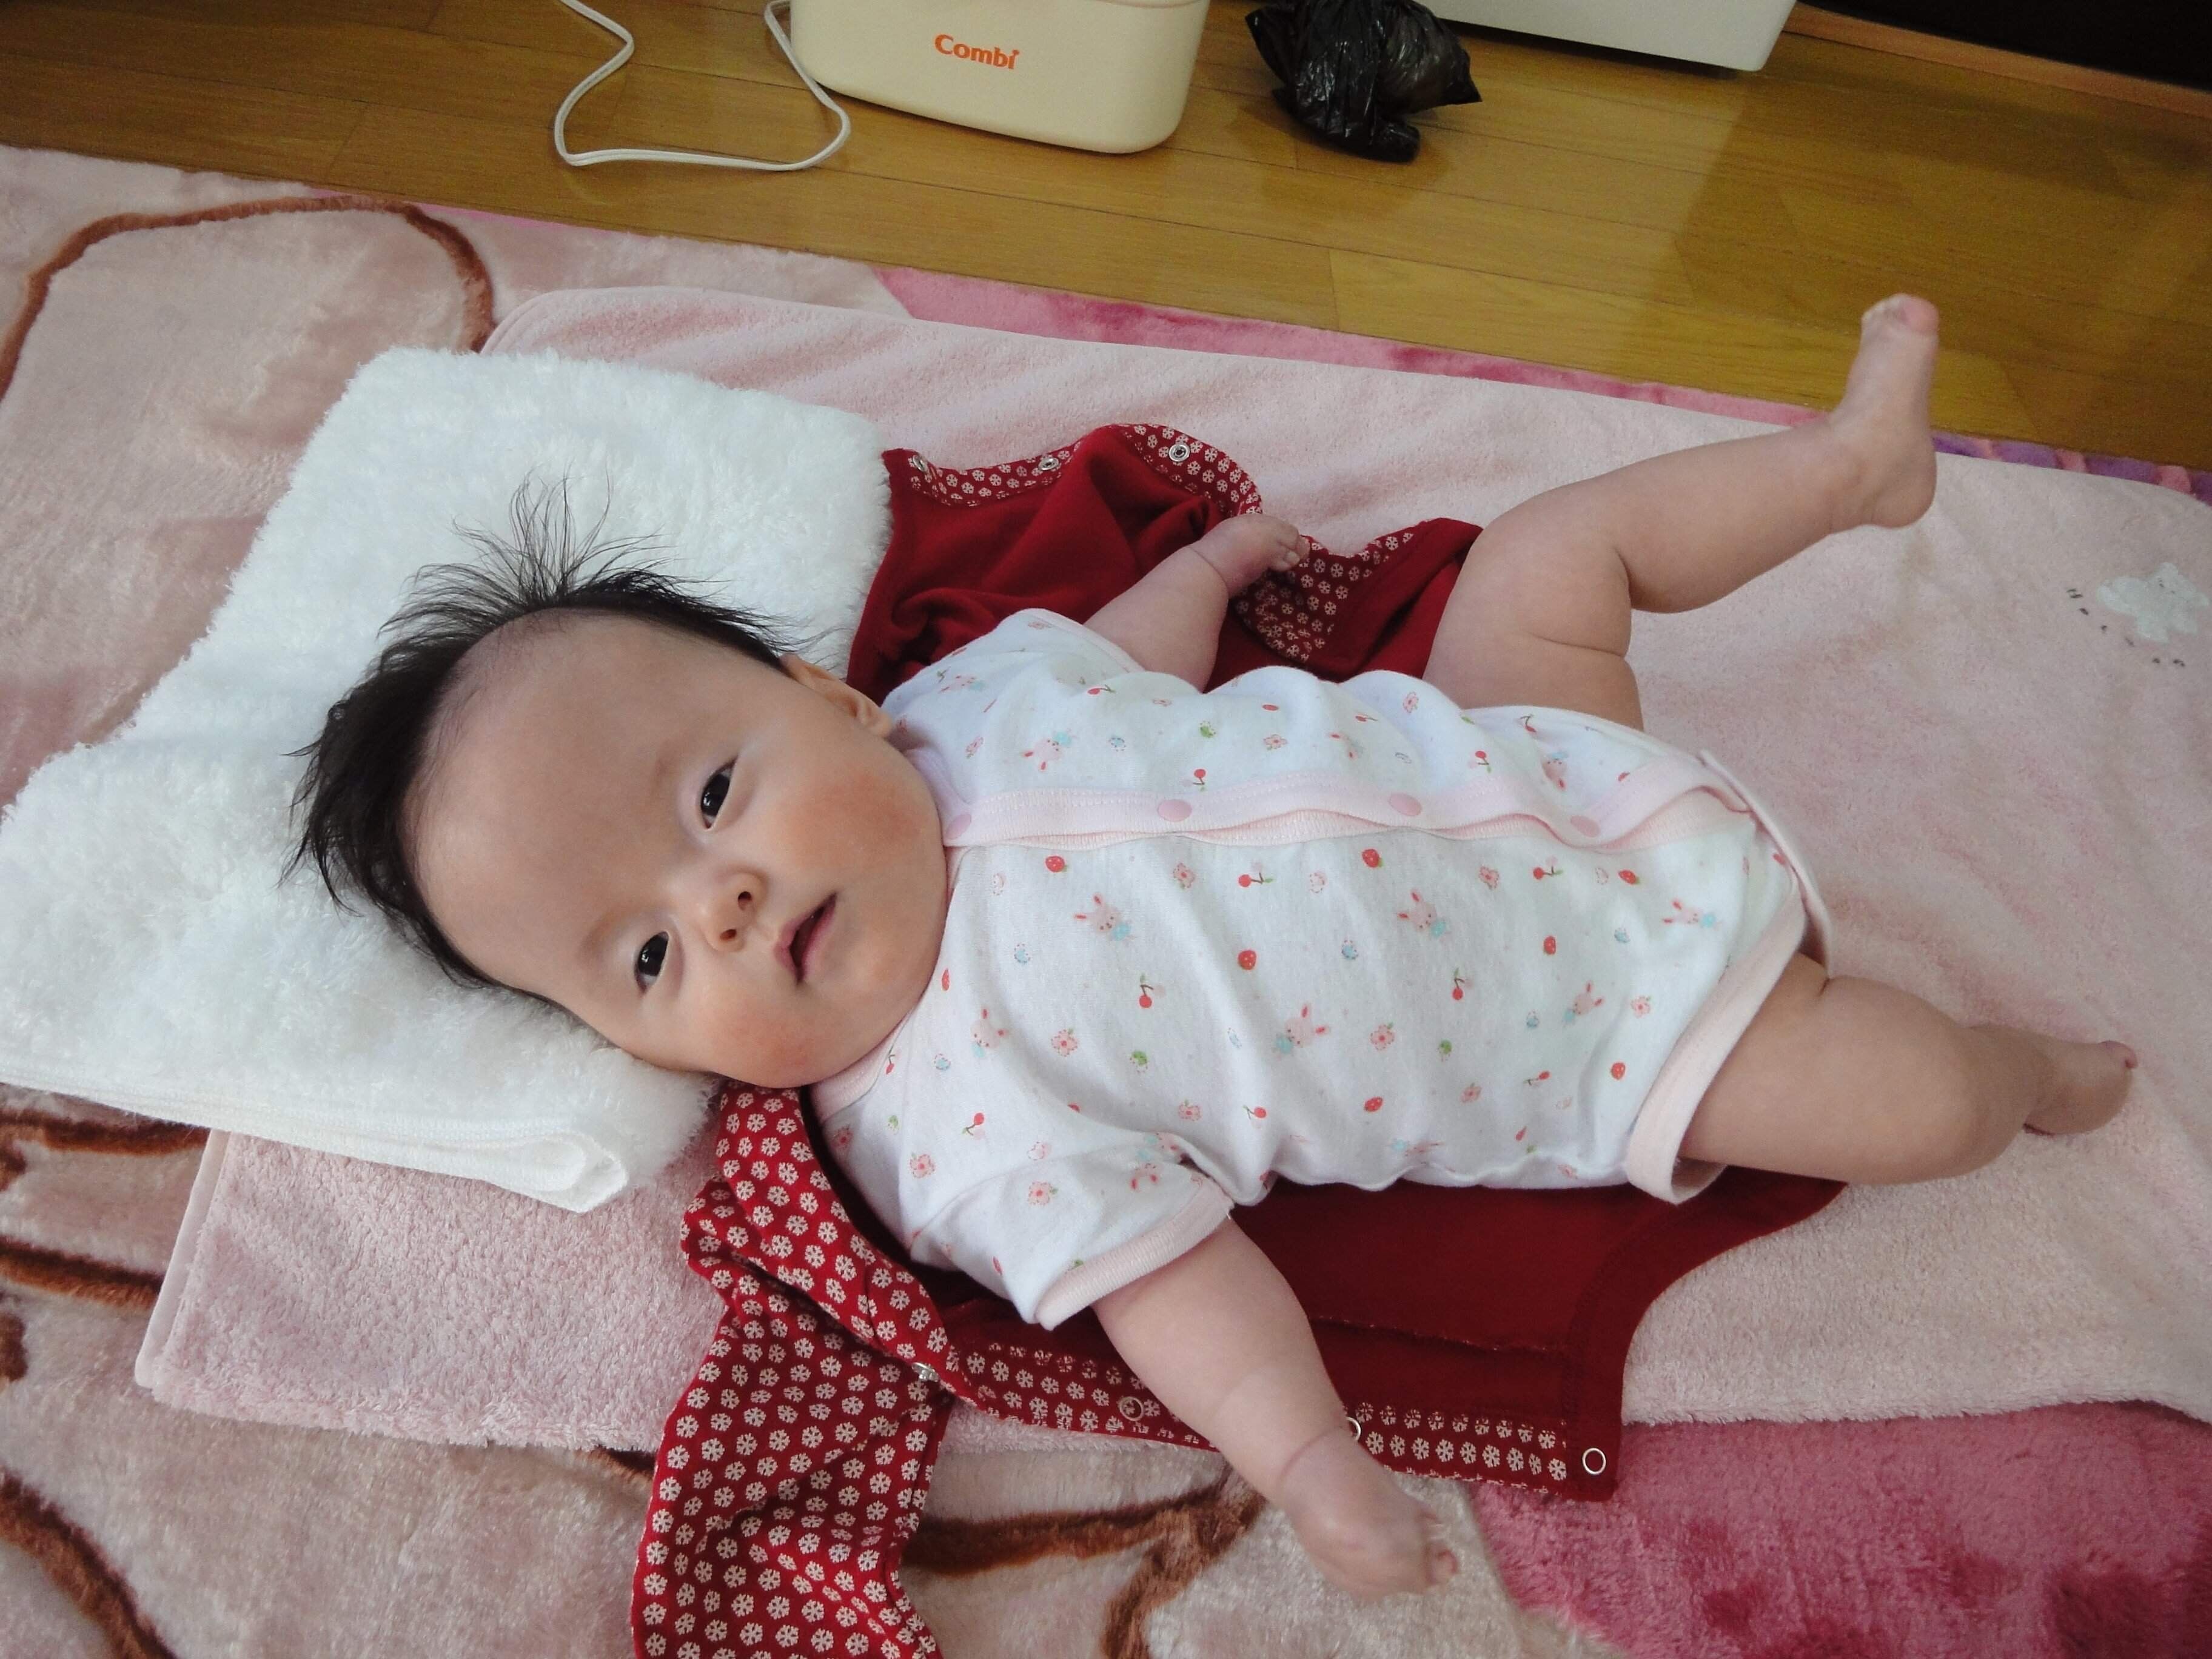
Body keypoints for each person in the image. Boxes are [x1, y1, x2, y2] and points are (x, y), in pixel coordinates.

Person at [293, 295, 2133, 1603]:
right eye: (641, 960)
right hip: (1617, 1024)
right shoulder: (950, 1126)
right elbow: (1179, 1292)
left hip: (1511, 727)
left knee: (1556, 549)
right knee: (1903, 1099)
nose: (721, 905)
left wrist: (1216, 571)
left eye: (712, 797)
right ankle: (2023, 1077)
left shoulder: (963, 703)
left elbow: (1126, 652)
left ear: (823, 698)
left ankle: (1851, 470)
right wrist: (1306, 1458)